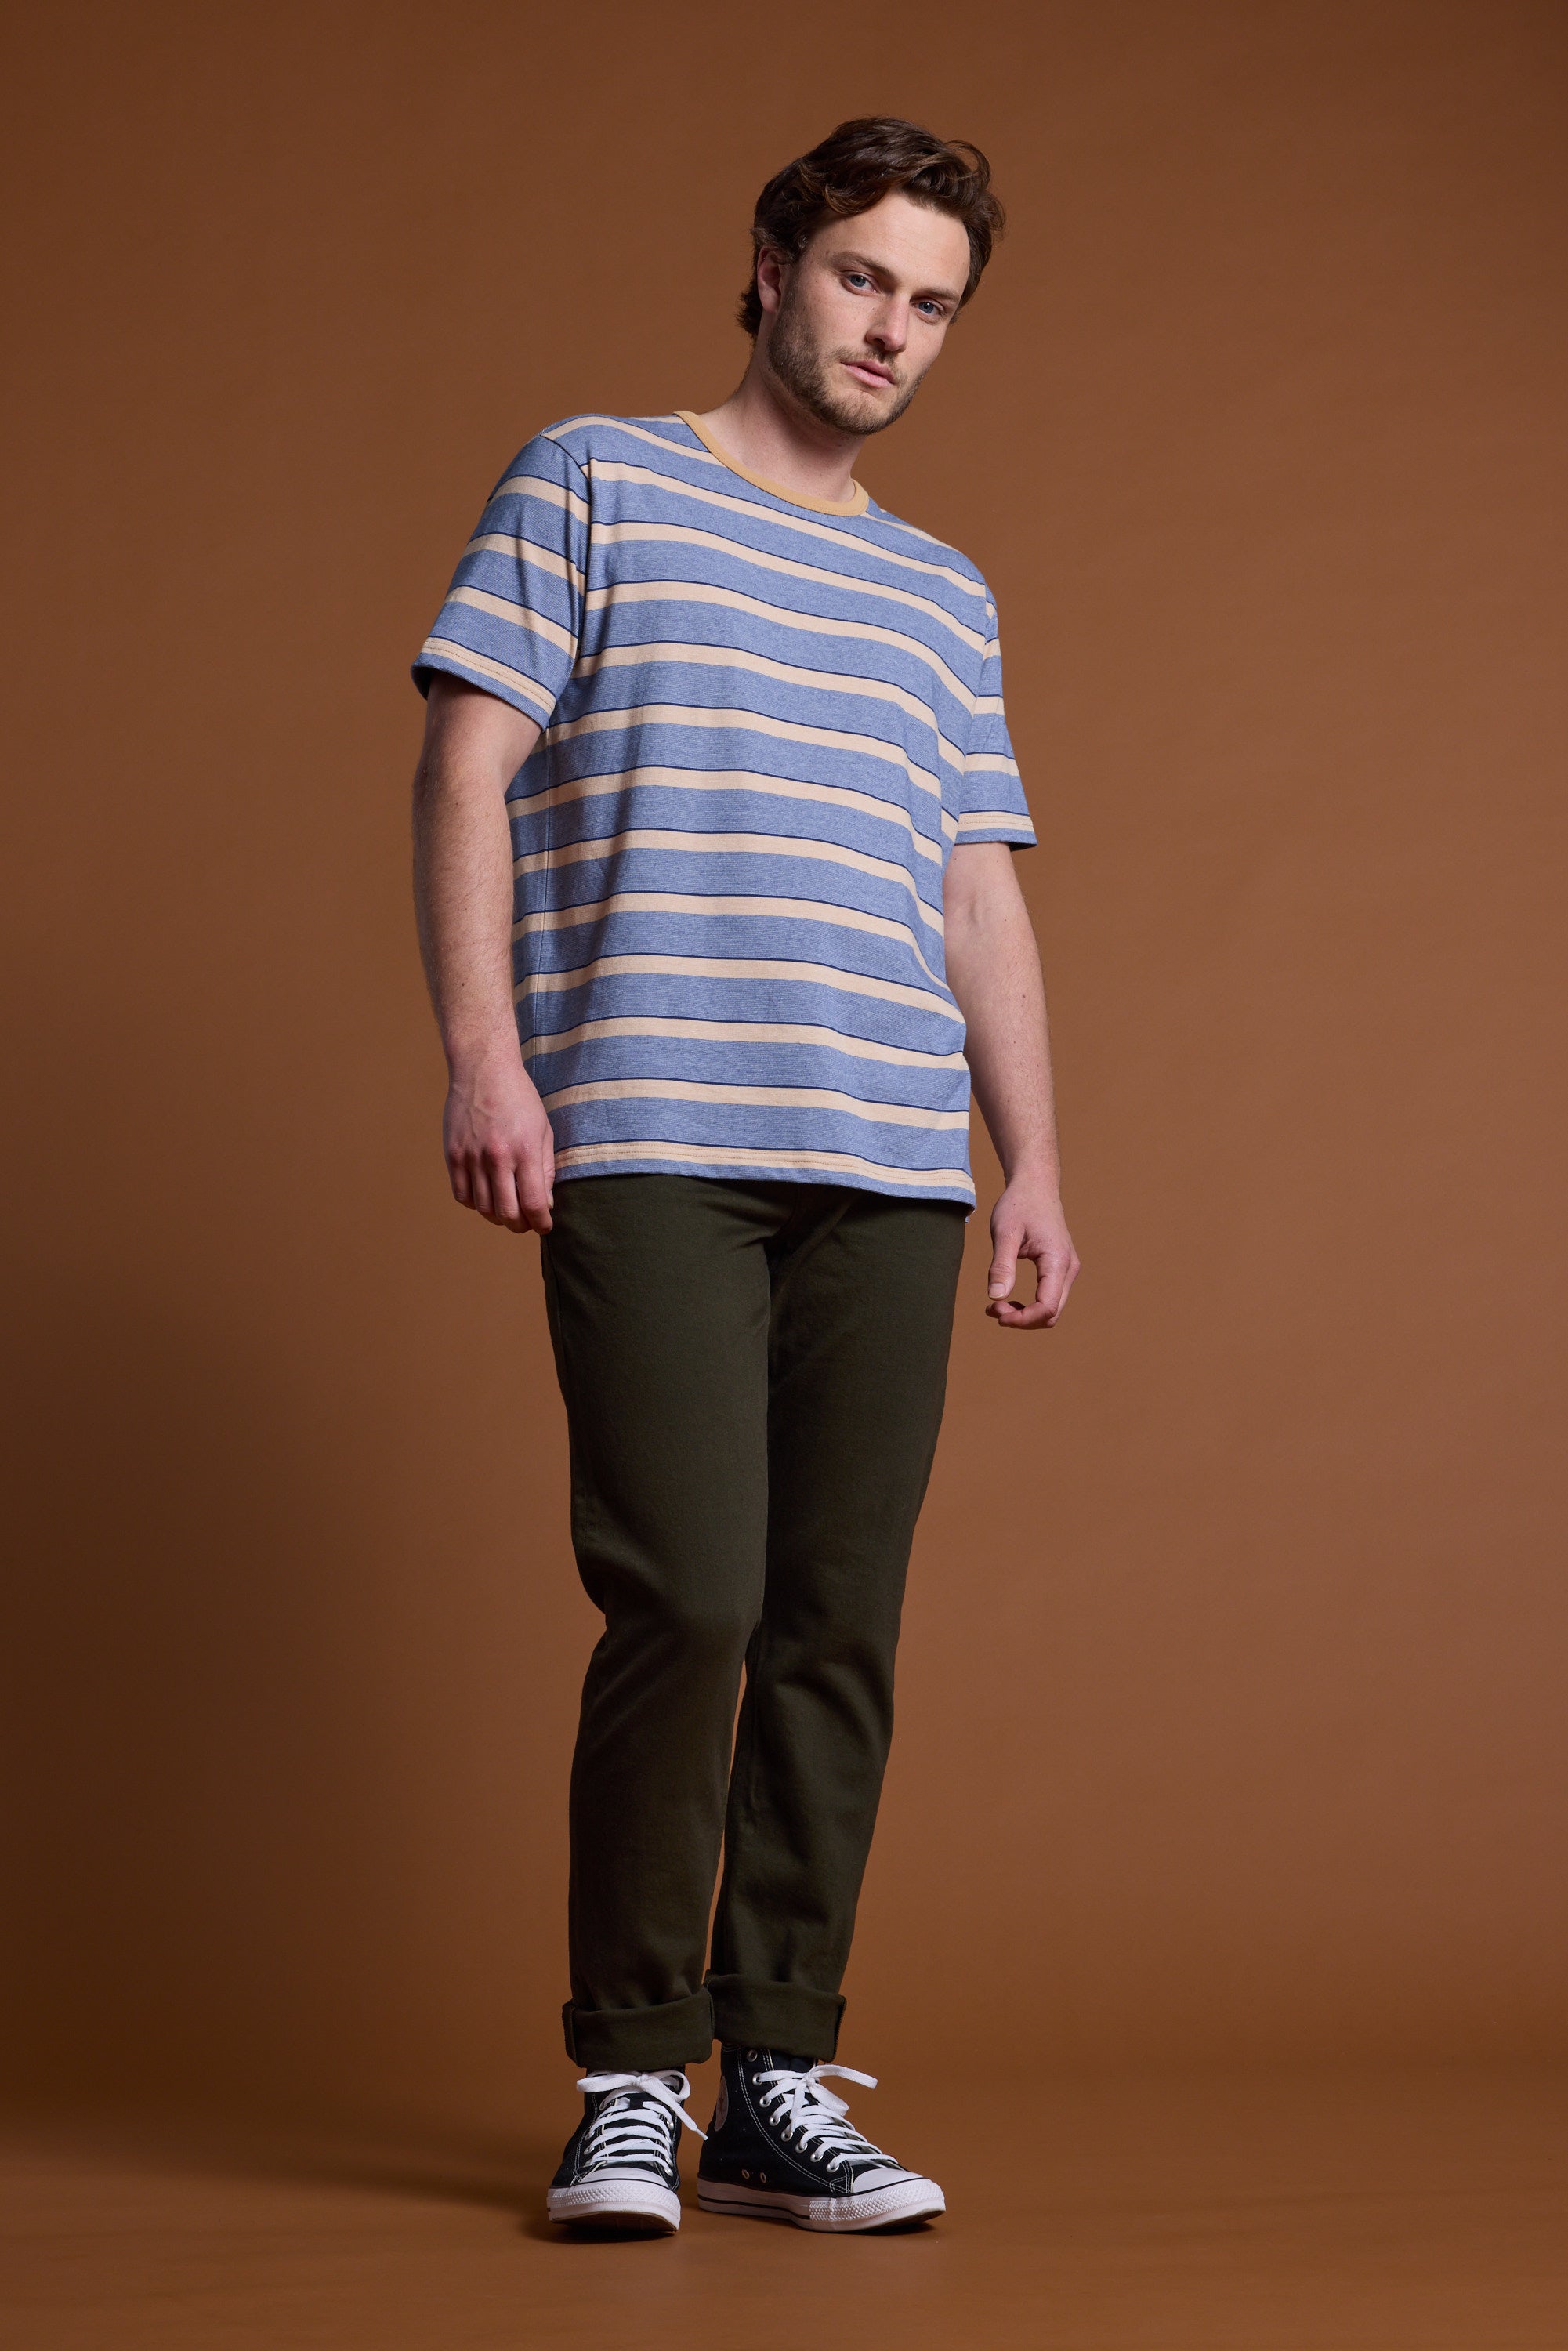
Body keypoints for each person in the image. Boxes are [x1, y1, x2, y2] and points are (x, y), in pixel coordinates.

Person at [410, 116, 1079, 2237]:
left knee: (832, 1623)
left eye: (934, 302)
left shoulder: (938, 588)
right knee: (684, 1596)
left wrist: (1033, 1160)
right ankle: (632, 2065)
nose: (894, 329)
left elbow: (975, 892)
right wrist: (484, 1060)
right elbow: (463, 764)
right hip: (655, 1140)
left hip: (890, 1164)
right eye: (865, 277)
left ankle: (774, 2069)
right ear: (775, 264)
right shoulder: (592, 475)